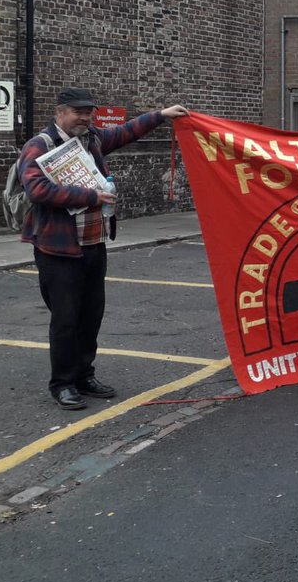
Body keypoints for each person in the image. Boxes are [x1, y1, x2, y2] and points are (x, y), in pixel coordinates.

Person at [19, 88, 189, 410]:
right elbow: (38, 189)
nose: (85, 118)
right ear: (59, 113)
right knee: (66, 319)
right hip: (58, 250)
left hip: (93, 244)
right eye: (77, 112)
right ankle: (63, 384)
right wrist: (90, 197)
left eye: (89, 112)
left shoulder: (91, 139)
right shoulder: (39, 146)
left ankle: (84, 374)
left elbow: (125, 132)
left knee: (91, 316)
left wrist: (161, 115)